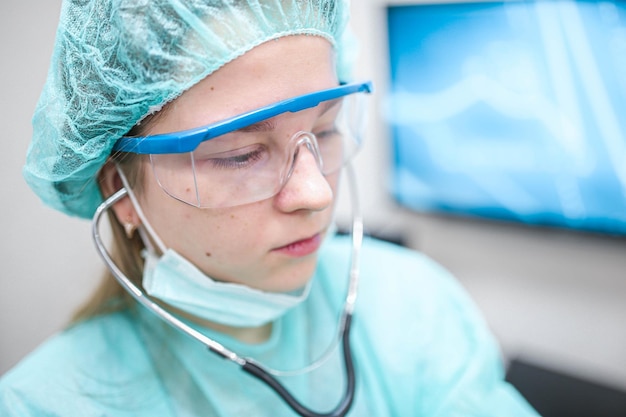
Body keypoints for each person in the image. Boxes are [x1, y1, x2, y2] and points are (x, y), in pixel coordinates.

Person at [1, 1, 539, 416]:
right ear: (122, 190)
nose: (316, 194)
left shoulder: (414, 306)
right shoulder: (43, 404)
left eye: (325, 130)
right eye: (240, 155)